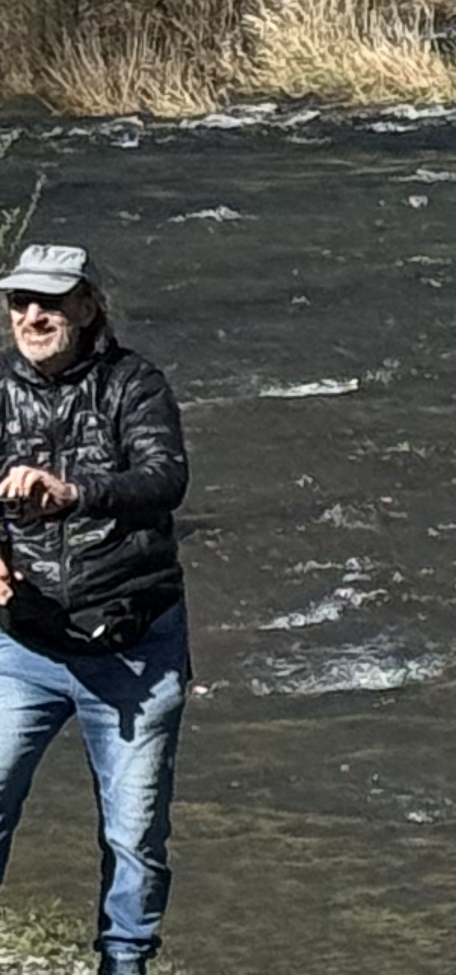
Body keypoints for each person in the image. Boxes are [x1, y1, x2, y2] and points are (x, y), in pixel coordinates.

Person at [0, 246, 187, 975]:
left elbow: (164, 478)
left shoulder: (134, 384)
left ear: (86, 307)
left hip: (132, 648)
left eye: (49, 302)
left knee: (134, 836)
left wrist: (74, 492)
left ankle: (124, 963)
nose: (32, 316)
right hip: (24, 648)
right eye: (19, 303)